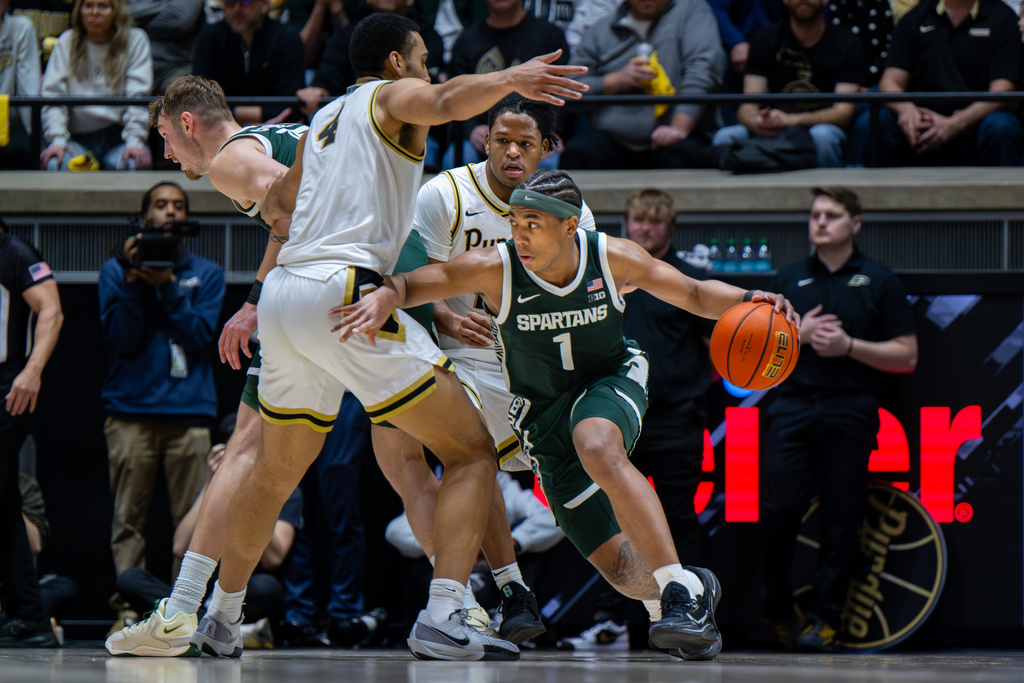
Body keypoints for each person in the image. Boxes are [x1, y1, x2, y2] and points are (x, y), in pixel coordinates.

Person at [339, 169, 798, 661]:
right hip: (542, 418)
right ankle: (689, 589)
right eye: (514, 221)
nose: (518, 232)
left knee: (597, 443)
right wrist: (388, 292)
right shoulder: (497, 266)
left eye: (532, 222)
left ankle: (678, 596)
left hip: (607, 379)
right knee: (623, 575)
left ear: (570, 225)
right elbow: (419, 282)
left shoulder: (611, 256)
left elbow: (692, 293)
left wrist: (750, 298)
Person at [251, 14, 588, 662]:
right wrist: (513, 74)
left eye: (527, 141)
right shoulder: (404, 121)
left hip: (293, 296)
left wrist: (256, 285)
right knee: (460, 451)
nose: (431, 69)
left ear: (546, 150)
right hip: (374, 305)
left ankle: (203, 607)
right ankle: (452, 607)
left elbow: (276, 203)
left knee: (267, 466)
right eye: (425, 57)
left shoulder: (327, 119)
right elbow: (437, 102)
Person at [104, 75, 308, 658]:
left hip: (321, 292)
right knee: (434, 450)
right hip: (368, 278)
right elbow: (284, 220)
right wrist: (251, 302)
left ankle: (186, 609)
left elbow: (292, 208)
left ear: (187, 123)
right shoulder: (272, 135)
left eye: (167, 136)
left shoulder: (228, 160)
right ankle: (220, 615)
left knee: (248, 453)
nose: (167, 152)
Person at [559, 189, 715, 651]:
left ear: (670, 227)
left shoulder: (689, 279)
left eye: (654, 222)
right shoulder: (605, 274)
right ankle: (619, 623)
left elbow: (718, 353)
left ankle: (696, 613)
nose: (645, 228)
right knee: (614, 518)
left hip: (675, 418)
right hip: (617, 417)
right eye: (638, 220)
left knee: (680, 518)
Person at [762, 187, 917, 652]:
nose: (821, 223)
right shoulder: (787, 278)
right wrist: (797, 335)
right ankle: (776, 611)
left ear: (856, 224)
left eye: (832, 215)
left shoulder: (878, 280)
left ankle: (824, 619)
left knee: (842, 517)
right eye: (815, 215)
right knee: (778, 511)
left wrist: (850, 347)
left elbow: (907, 356)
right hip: (789, 406)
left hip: (851, 408)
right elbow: (754, 355)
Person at [99, 182, 226, 624]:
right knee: (127, 521)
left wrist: (168, 286)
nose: (169, 212)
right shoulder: (117, 270)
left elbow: (199, 337)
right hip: (129, 413)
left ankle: (181, 613)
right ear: (145, 215)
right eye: (160, 204)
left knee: (192, 525)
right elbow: (121, 340)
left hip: (189, 414)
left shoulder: (206, 273)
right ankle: (129, 612)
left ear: (186, 218)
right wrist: (136, 282)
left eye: (178, 205)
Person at [114, 430, 302, 637]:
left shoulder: (285, 490)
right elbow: (179, 547)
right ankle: (225, 631)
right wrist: (210, 484)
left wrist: (253, 493)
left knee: (268, 588)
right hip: (202, 590)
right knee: (130, 578)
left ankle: (189, 626)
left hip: (242, 590)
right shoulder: (216, 486)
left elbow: (273, 558)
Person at [846, 0, 1023, 167]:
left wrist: (955, 123)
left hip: (976, 120)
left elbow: (1002, 90)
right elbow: (890, 81)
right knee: (872, 122)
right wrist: (906, 110)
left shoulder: (1003, 18)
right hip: (921, 121)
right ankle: (854, 196)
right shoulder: (915, 17)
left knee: (1002, 127)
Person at [560, 0, 726, 170]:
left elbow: (703, 70)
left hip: (680, 135)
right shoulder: (601, 29)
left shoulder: (692, 10)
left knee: (681, 157)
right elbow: (569, 88)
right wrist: (615, 81)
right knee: (577, 155)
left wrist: (679, 127)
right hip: (611, 136)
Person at [0, 216, 64, 647]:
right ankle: (28, 615)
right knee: (4, 501)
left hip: (9, 385)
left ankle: (29, 613)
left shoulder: (13, 251)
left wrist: (32, 371)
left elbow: (52, 309)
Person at [711, 0, 866, 168]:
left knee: (823, 135)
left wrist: (791, 120)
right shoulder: (764, 39)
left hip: (819, 129)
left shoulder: (849, 44)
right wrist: (757, 122)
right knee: (724, 137)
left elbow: (843, 114)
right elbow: (748, 106)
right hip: (775, 129)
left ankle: (828, 192)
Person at [443, 0, 569, 169]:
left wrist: (548, 130)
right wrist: (471, 129)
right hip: (483, 131)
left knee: (547, 158)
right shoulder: (467, 41)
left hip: (534, 130)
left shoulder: (548, 36)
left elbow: (559, 92)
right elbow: (457, 95)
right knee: (457, 157)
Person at [39, 0, 153, 171]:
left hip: (119, 138)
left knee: (134, 164)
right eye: (88, 6)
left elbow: (138, 97)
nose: (95, 12)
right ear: (79, 10)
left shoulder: (135, 39)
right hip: (77, 139)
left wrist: (135, 141)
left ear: (116, 11)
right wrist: (57, 140)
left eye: (103, 6)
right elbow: (53, 98)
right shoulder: (67, 41)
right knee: (57, 164)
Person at [191, 0, 305, 126]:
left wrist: (229, 115)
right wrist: (255, 122)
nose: (236, 9)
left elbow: (289, 107)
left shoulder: (287, 38)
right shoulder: (209, 37)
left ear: (264, 5)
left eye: (245, 2)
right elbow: (200, 103)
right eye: (230, 2)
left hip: (278, 131)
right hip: (223, 132)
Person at [0, 0, 42, 170]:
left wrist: (36, 138)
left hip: (9, 126)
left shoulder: (21, 27)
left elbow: (29, 87)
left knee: (21, 154)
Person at [127, 0, 204, 93]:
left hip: (176, 65)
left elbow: (179, 20)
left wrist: (138, 24)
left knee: (182, 92)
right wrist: (163, 6)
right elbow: (119, 11)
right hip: (129, 62)